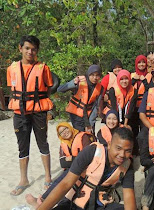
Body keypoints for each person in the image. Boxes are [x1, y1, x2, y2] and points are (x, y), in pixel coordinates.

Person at [37, 127, 137, 210]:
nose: (122, 155)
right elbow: (65, 184)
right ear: (110, 144)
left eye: (128, 151)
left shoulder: (127, 166)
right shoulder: (92, 151)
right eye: (118, 148)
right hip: (74, 201)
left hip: (99, 204)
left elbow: (128, 197)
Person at [7, 35, 53, 196]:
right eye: (27, 48)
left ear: (37, 51)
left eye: (33, 49)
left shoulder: (43, 68)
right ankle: (23, 179)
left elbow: (47, 88)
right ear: (20, 49)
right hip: (20, 113)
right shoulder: (12, 69)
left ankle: (48, 176)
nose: (30, 52)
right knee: (22, 146)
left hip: (39, 111)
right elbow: (12, 89)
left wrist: (38, 103)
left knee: (43, 143)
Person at [25, 122, 95, 208]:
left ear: (70, 128)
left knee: (64, 180)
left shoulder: (83, 137)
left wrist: (71, 159)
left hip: (87, 168)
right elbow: (63, 163)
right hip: (74, 168)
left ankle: (42, 201)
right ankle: (43, 201)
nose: (64, 132)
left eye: (66, 129)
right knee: (59, 180)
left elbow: (87, 157)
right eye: (61, 132)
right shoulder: (64, 143)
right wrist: (75, 159)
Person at [57, 65, 103, 133]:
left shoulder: (100, 88)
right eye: (92, 75)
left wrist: (90, 124)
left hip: (88, 114)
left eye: (97, 75)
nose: (95, 78)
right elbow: (60, 89)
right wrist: (73, 83)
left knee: (91, 135)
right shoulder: (79, 82)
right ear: (88, 74)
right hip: (76, 114)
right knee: (80, 135)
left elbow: (95, 107)